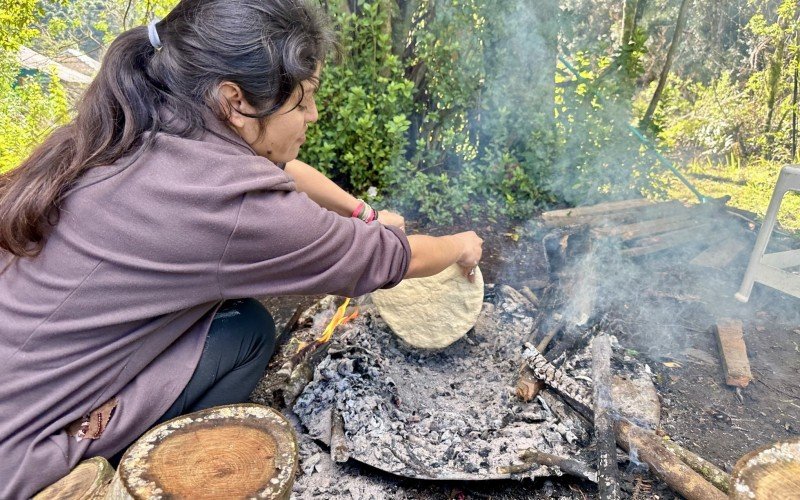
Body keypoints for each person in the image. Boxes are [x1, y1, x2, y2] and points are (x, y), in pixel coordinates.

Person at [0, 0, 483, 497]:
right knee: (247, 330)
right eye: (303, 101)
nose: (313, 116)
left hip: (17, 373)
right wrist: (461, 245)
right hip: (21, 451)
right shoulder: (229, 205)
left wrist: (362, 213)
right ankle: (150, 470)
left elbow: (281, 170)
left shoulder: (145, 118)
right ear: (235, 101)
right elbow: (388, 259)